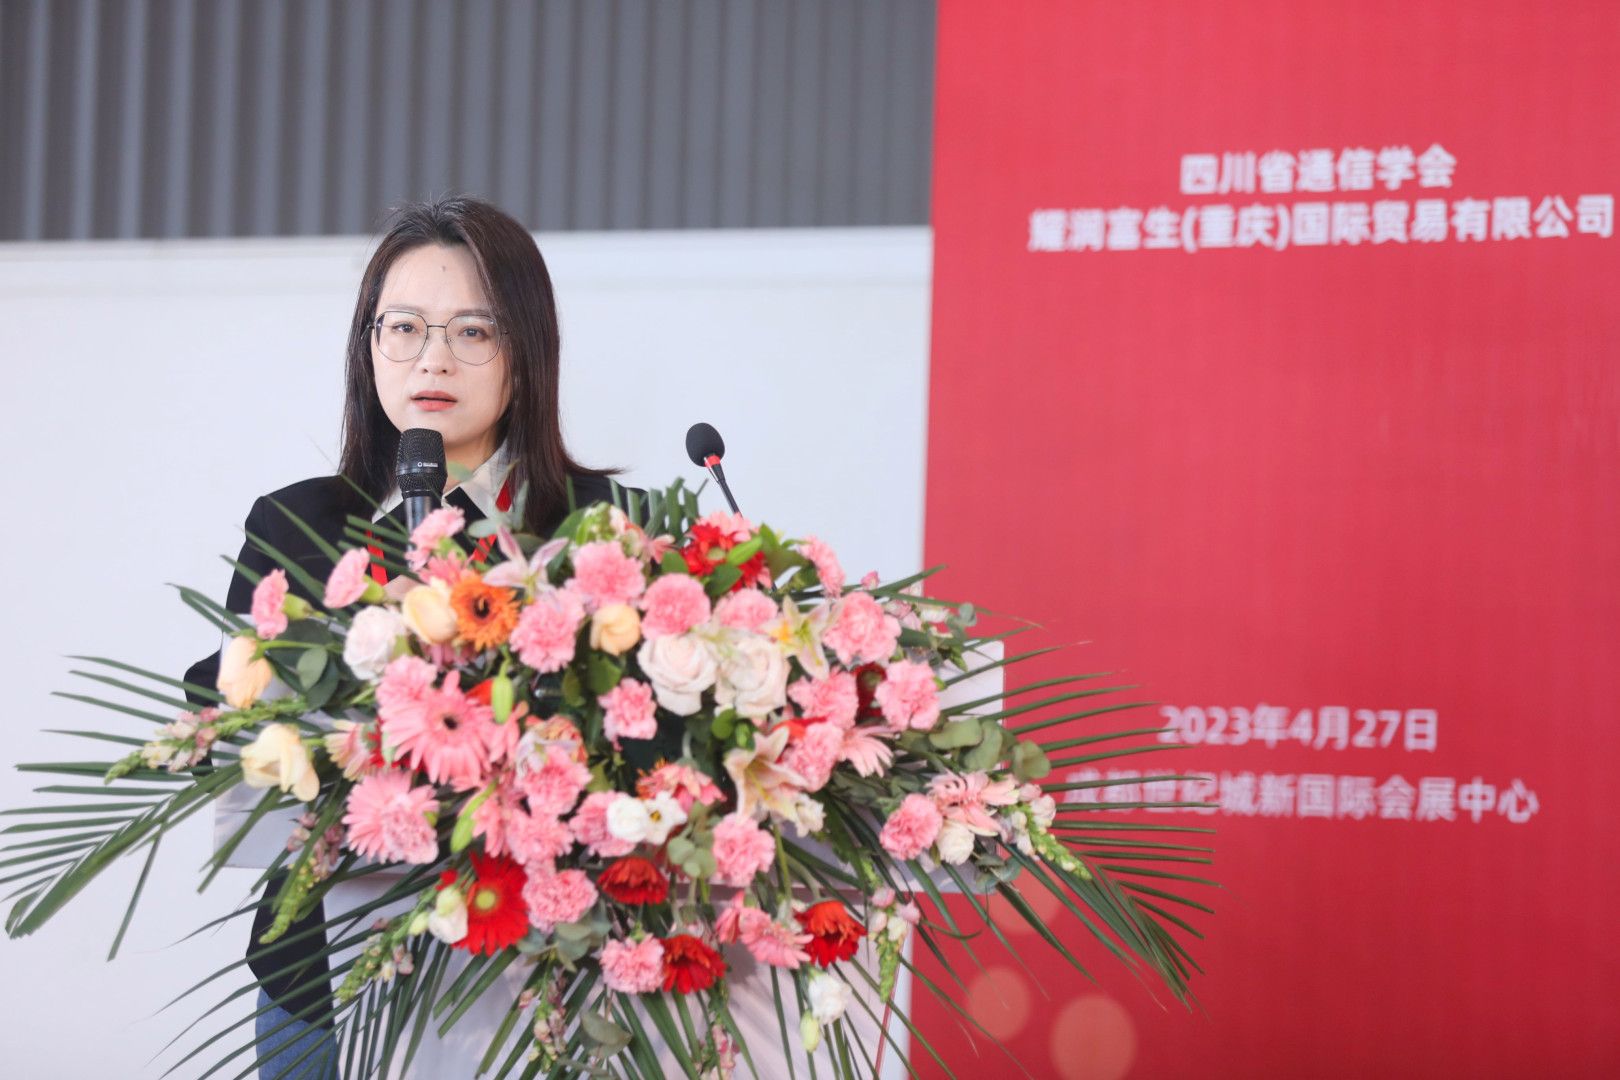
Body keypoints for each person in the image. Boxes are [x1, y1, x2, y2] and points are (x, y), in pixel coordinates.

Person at [184, 195, 641, 1079]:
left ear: (526, 354)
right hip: (324, 979)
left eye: (473, 331)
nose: (433, 358)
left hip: (550, 974)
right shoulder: (298, 525)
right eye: (403, 328)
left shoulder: (606, 526)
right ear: (370, 348)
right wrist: (327, 654)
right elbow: (217, 708)